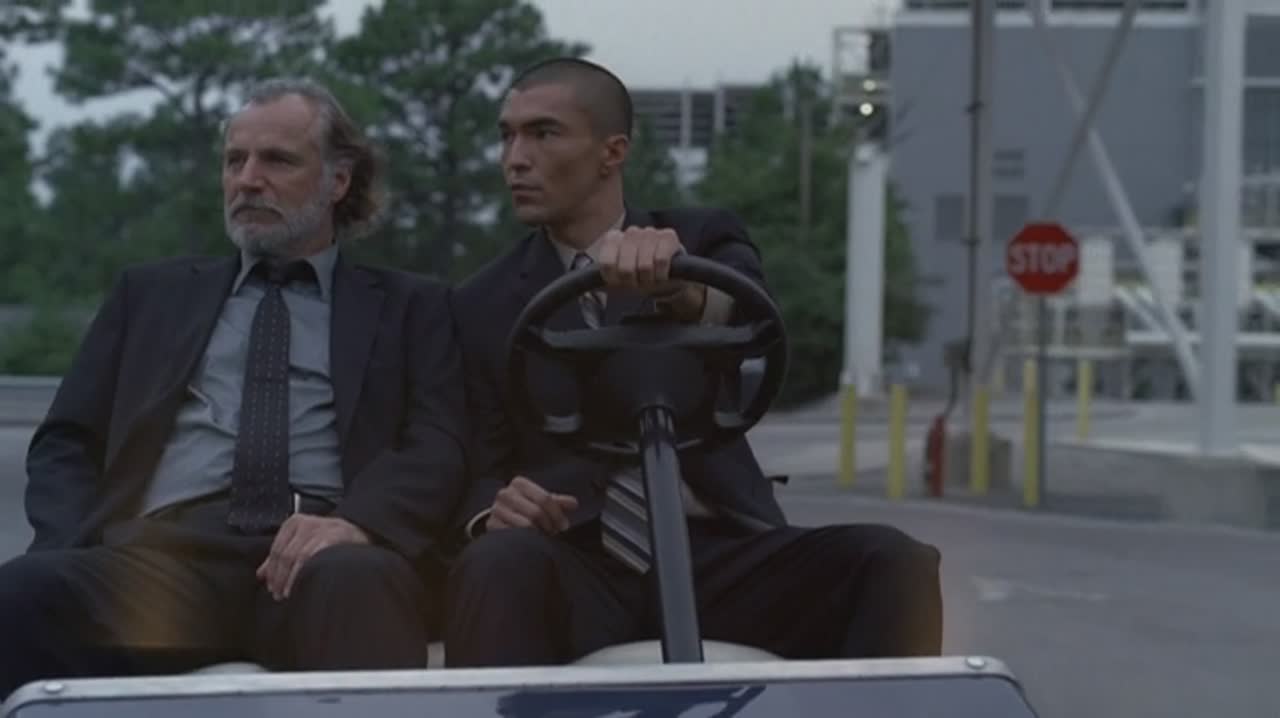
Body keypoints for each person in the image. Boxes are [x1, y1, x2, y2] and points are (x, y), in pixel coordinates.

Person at [444, 57, 943, 667]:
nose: (515, 159)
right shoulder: (479, 302)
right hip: (574, 556)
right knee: (496, 560)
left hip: (717, 553)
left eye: (543, 134)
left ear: (612, 152)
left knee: (894, 561)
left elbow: (742, 312)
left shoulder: (701, 239)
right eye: (507, 136)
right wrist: (496, 508)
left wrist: (680, 287)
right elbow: (473, 454)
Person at [0, 78, 467, 698]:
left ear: (338, 181)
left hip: (318, 559)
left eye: (277, 160)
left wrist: (359, 523)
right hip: (161, 568)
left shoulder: (414, 307)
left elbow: (439, 441)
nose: (248, 180)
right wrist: (68, 547)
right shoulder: (150, 295)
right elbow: (67, 441)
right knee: (19, 592)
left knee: (359, 581)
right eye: (234, 160)